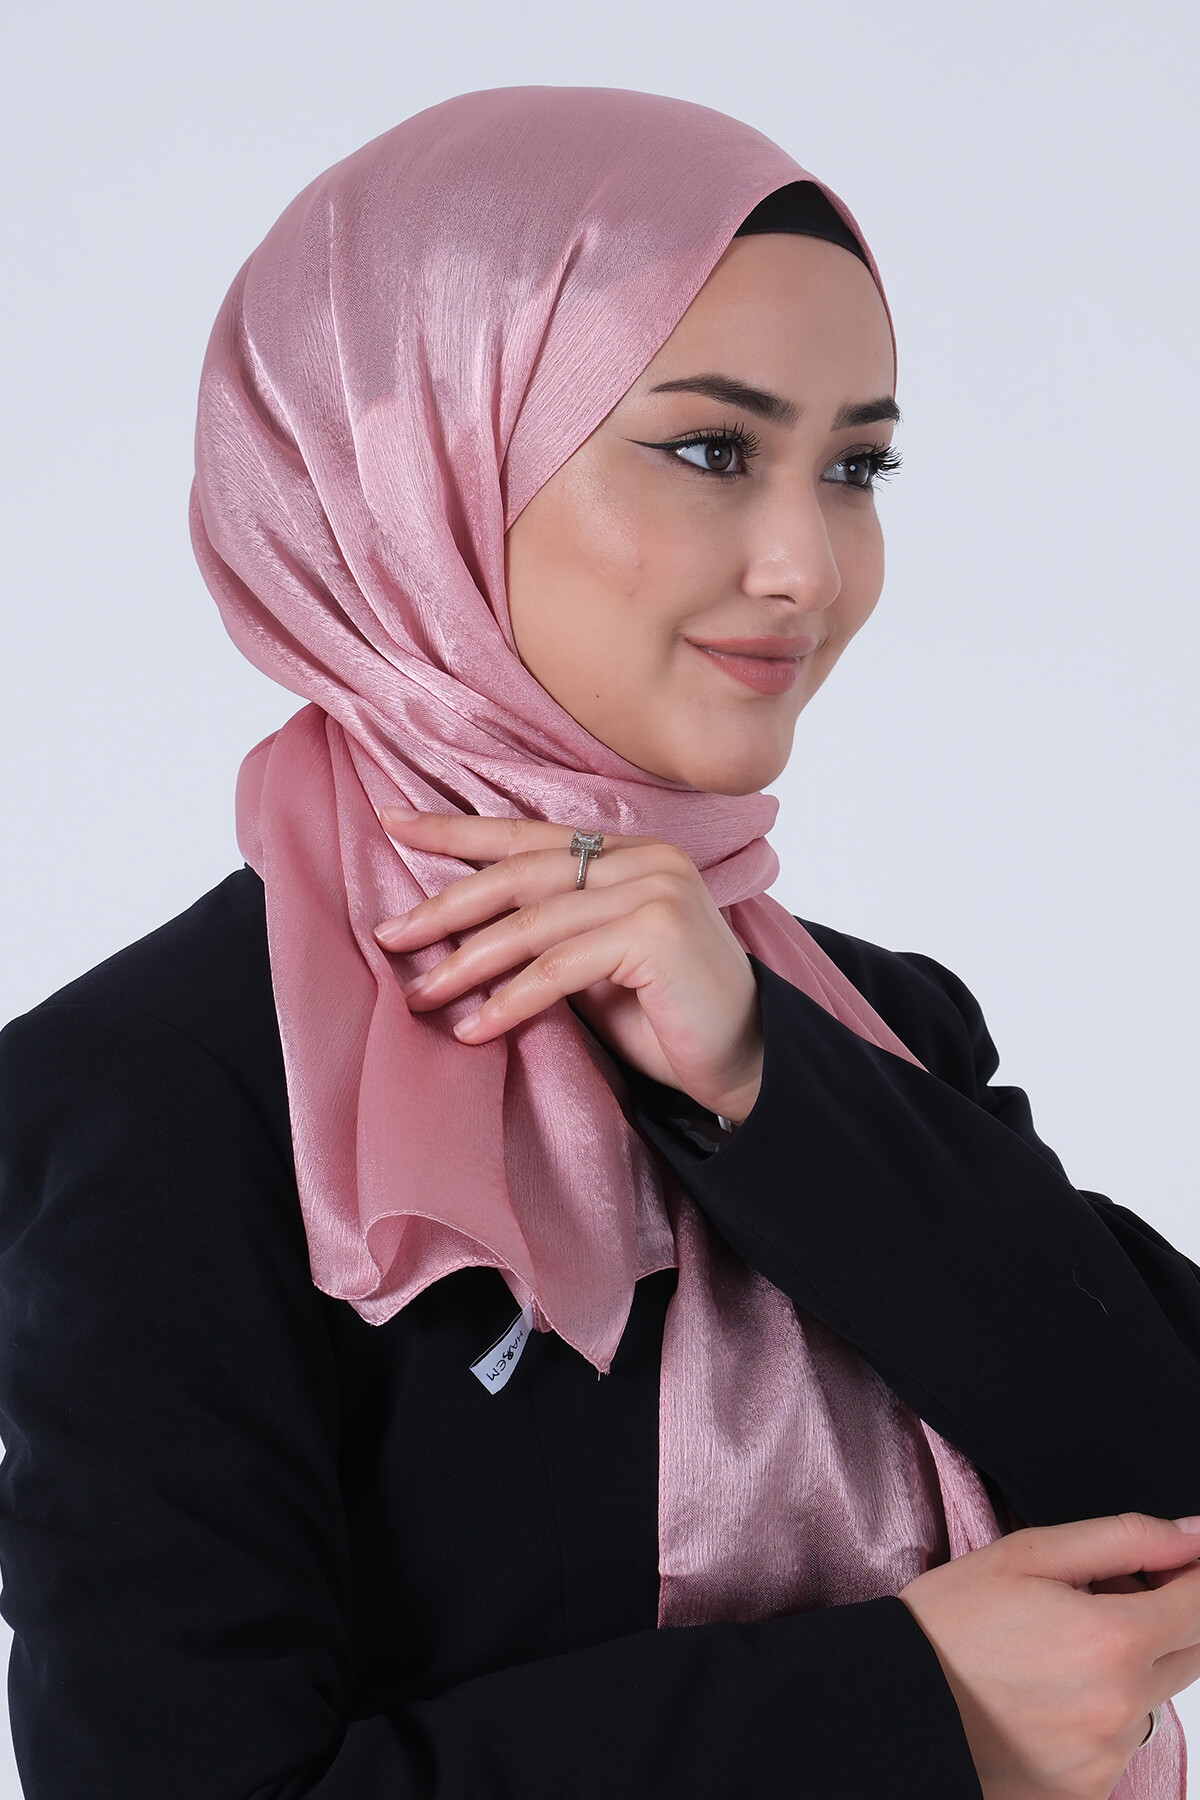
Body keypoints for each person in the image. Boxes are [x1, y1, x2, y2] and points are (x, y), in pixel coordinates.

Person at [0, 84, 1197, 1800]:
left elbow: (1166, 1481)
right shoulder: (164, 1097)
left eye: (856, 468)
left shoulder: (868, 1031)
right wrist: (907, 1712)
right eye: (712, 450)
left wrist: (764, 1080)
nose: (809, 567)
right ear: (419, 466)